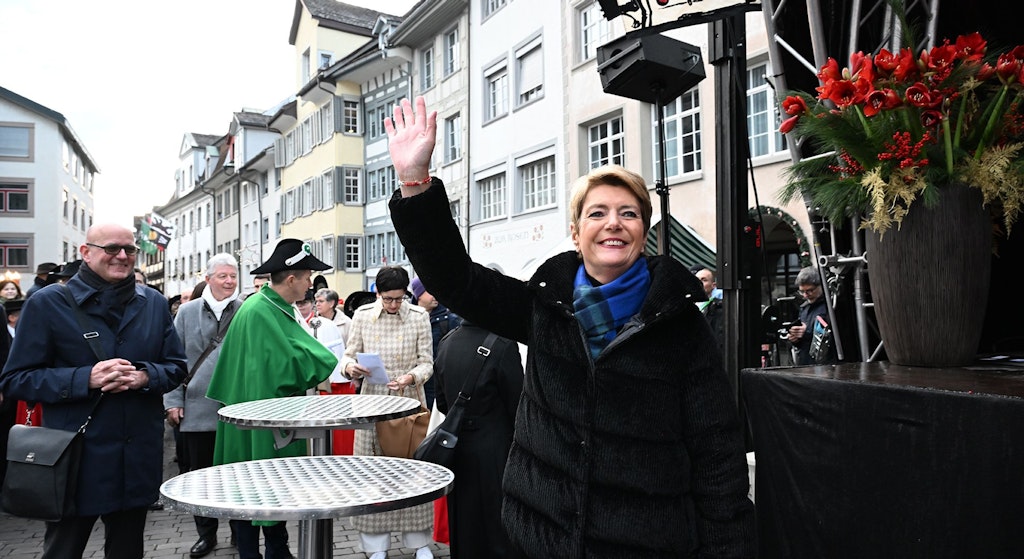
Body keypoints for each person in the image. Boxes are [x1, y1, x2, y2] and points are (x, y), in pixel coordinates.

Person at [384, 96, 755, 558]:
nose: (613, 223)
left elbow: (716, 452)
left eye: (629, 213)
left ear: (644, 232)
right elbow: (456, 281)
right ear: (577, 234)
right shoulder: (545, 305)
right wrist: (415, 182)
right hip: (541, 538)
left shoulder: (680, 323)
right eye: (597, 213)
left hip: (645, 544)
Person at [0, 223, 187, 559]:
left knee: (128, 551)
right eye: (111, 248)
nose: (122, 256)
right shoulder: (47, 303)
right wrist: (86, 378)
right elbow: (17, 379)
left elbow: (176, 367)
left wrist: (144, 377)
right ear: (86, 253)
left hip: (135, 458)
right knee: (63, 551)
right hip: (74, 461)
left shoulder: (154, 303)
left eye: (130, 249)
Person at [206, 239, 338, 559]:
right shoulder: (263, 311)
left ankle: (274, 550)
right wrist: (320, 360)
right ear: (291, 279)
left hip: (253, 415)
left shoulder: (264, 305)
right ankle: (262, 553)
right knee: (259, 487)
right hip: (261, 419)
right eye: (307, 277)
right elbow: (291, 366)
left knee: (255, 488)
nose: (310, 284)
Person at [339, 266, 435, 559]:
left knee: (414, 473)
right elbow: (347, 356)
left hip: (409, 403)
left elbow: (427, 362)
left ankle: (419, 543)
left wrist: (411, 377)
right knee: (371, 475)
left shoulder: (418, 316)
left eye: (399, 298)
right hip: (372, 404)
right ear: (377, 294)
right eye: (388, 298)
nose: (394, 304)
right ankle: (376, 546)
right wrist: (351, 368)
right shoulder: (362, 316)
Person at [163, 254, 243, 559]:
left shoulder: (245, 310)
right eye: (223, 276)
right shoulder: (187, 312)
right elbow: (173, 359)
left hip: (235, 409)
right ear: (208, 279)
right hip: (196, 409)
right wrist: (172, 401)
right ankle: (206, 534)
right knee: (201, 477)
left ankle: (240, 531)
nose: (229, 281)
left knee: (237, 476)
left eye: (233, 276)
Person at [433, 322, 523, 558]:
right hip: (495, 447)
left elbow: (442, 402)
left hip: (457, 447)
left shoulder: (447, 342)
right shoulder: (503, 344)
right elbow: (518, 405)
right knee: (497, 527)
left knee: (464, 524)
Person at [410, 277, 461, 408]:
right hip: (412, 381)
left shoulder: (449, 319)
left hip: (438, 382)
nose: (435, 294)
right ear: (418, 294)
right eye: (429, 290)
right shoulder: (407, 318)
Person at [787, 266, 833, 366]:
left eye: (810, 290)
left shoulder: (830, 307)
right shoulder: (804, 308)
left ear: (821, 286)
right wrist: (795, 338)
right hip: (806, 363)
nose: (805, 295)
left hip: (826, 364)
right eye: (802, 291)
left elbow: (832, 337)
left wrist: (806, 332)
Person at [691, 265, 725, 351]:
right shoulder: (686, 306)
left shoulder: (719, 308)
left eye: (704, 280)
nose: (699, 283)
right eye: (697, 279)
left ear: (713, 285)